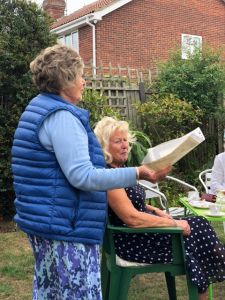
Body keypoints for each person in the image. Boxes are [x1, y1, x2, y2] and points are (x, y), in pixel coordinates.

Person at [11, 44, 171, 300]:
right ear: (65, 79)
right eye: (80, 75)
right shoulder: (62, 117)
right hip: (66, 228)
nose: (84, 81)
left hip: (49, 224)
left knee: (51, 294)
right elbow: (83, 177)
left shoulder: (39, 108)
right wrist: (139, 173)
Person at [94, 116, 225, 300]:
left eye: (125, 140)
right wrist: (172, 223)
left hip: (137, 235)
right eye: (118, 141)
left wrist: (155, 210)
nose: (125, 145)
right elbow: (132, 218)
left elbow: (133, 203)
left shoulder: (119, 171)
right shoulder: (111, 177)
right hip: (134, 242)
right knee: (197, 232)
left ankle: (208, 276)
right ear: (103, 146)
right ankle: (209, 278)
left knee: (198, 226)